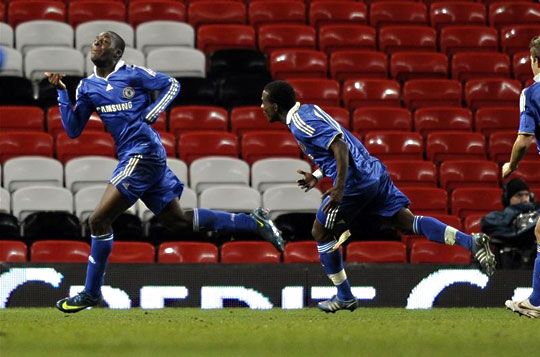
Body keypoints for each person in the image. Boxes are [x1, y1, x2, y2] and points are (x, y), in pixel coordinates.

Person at [46, 31, 284, 314]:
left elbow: (171, 85)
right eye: (96, 40)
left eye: (105, 41)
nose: (97, 43)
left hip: (143, 153)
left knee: (98, 220)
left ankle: (90, 292)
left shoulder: (133, 74)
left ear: (118, 53)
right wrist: (62, 91)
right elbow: (73, 129)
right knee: (178, 222)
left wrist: (155, 110)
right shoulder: (87, 87)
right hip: (136, 157)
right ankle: (252, 222)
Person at [260, 80, 496, 313]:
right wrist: (317, 174)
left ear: (276, 106)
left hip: (355, 183)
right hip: (372, 171)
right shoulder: (308, 110)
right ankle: (471, 242)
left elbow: (340, 146)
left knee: (320, 232)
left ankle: (344, 297)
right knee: (406, 221)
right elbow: (336, 146)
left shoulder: (301, 123)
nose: (262, 107)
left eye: (264, 102)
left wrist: (340, 188)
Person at [501, 36, 540, 318]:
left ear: (534, 60)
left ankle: (537, 301)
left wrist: (511, 165)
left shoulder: (532, 92)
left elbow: (524, 139)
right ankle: (536, 300)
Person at [481, 178, 539, 269]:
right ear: (507, 199)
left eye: (527, 195)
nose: (524, 199)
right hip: (509, 269)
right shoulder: (496, 217)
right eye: (519, 195)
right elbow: (487, 225)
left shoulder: (537, 214)